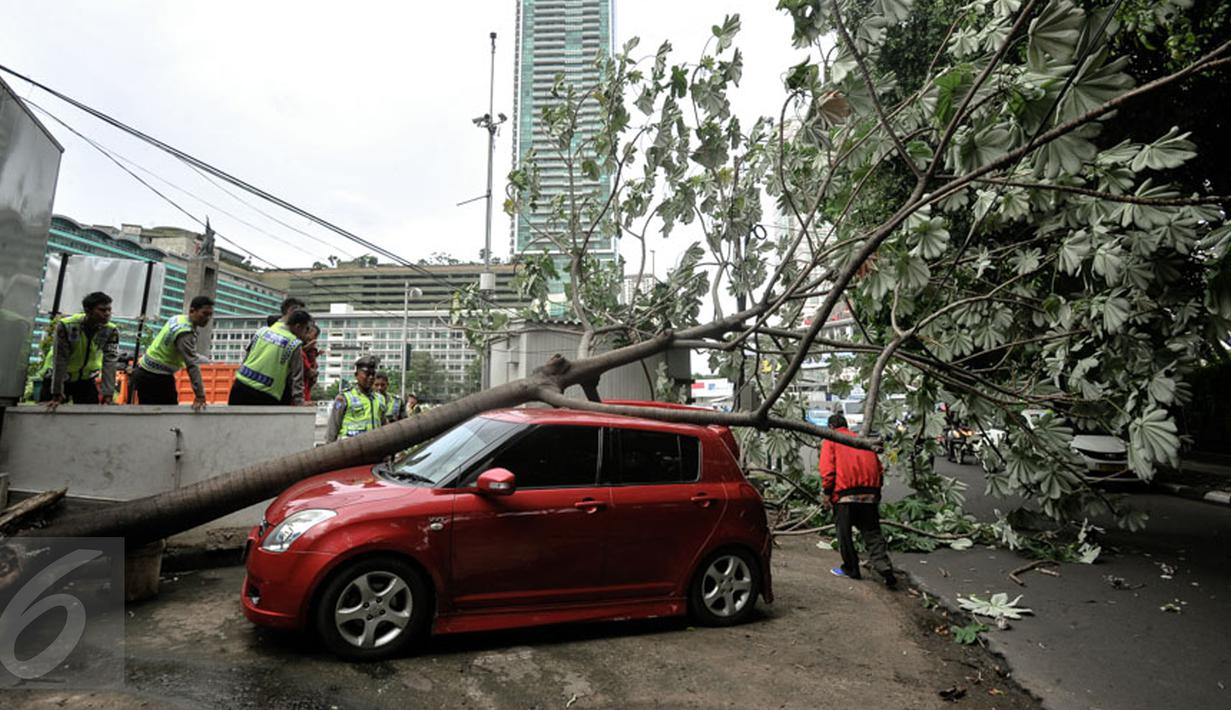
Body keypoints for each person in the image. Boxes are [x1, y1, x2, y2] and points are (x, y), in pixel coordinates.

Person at [819, 413, 896, 588]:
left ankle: (851, 568)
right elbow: (879, 469)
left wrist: (827, 493)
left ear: (831, 428)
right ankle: (885, 569)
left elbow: (828, 470)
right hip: (870, 494)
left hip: (845, 494)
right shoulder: (863, 441)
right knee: (872, 533)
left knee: (844, 534)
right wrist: (876, 491)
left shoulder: (831, 441)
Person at [37, 291, 119, 410]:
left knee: (89, 418)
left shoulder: (111, 330)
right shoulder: (67, 326)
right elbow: (60, 359)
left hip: (85, 379)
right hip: (57, 377)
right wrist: (57, 392)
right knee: (49, 414)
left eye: (109, 310)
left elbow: (110, 361)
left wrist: (108, 394)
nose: (107, 314)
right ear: (88, 310)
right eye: (102, 310)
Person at [131, 296, 215, 409]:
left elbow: (181, 351)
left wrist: (206, 360)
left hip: (145, 371)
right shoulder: (185, 333)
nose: (207, 318)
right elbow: (192, 365)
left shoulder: (178, 319)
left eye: (210, 314)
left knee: (150, 416)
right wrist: (200, 395)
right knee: (167, 416)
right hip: (156, 377)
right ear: (192, 311)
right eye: (205, 313)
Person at [228, 309, 313, 406]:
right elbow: (297, 378)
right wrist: (300, 402)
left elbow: (246, 357)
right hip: (266, 394)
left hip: (239, 386)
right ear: (298, 326)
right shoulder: (294, 343)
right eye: (306, 329)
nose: (305, 334)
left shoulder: (262, 331)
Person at [326, 356, 388, 443]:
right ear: (356, 375)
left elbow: (383, 425)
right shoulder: (344, 398)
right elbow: (332, 429)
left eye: (373, 374)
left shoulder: (380, 399)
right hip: (350, 449)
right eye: (367, 374)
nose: (370, 377)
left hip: (374, 448)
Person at [302, 323, 320, 402]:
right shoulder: (302, 344)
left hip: (311, 369)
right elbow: (301, 351)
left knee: (307, 387)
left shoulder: (313, 346)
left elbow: (313, 356)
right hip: (306, 371)